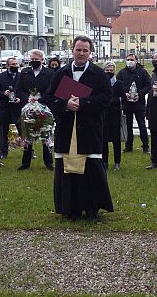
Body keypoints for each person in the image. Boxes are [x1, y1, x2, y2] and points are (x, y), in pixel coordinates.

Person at [43, 35, 113, 221]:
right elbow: (49, 97)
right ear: (72, 50)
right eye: (78, 50)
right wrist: (66, 105)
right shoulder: (61, 73)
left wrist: (83, 103)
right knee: (66, 170)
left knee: (91, 169)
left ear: (90, 53)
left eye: (85, 50)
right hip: (66, 129)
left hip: (89, 130)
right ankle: (70, 208)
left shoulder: (99, 74)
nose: (81, 53)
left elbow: (106, 98)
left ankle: (92, 209)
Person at [16, 49, 55, 171]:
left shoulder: (49, 73)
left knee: (45, 133)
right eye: (32, 60)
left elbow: (52, 88)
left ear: (42, 60)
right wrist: (28, 98)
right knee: (28, 134)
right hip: (28, 107)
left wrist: (42, 99)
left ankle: (48, 162)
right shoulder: (25, 72)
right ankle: (25, 162)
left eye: (36, 60)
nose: (34, 62)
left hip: (45, 107)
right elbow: (19, 88)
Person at [116, 53, 151, 154]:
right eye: (128, 59)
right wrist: (124, 94)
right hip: (126, 104)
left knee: (142, 126)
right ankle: (128, 146)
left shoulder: (142, 72)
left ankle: (145, 146)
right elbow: (117, 86)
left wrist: (139, 94)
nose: (129, 61)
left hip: (139, 104)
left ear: (136, 61)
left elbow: (148, 85)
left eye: (132, 59)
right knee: (128, 126)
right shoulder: (122, 73)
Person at [0, 57, 22, 158]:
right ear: (7, 65)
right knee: (3, 132)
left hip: (18, 108)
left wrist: (20, 98)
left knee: (23, 131)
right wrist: (3, 93)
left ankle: (29, 151)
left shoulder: (21, 76)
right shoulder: (0, 77)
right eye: (13, 64)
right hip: (5, 108)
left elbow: (25, 91)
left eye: (16, 64)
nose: (15, 66)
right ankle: (3, 152)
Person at [102, 61, 124, 171]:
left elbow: (122, 97)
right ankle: (104, 161)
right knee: (104, 140)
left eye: (111, 70)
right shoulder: (101, 83)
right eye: (107, 70)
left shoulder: (118, 83)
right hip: (103, 115)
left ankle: (117, 162)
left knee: (116, 140)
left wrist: (110, 100)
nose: (109, 72)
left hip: (115, 115)